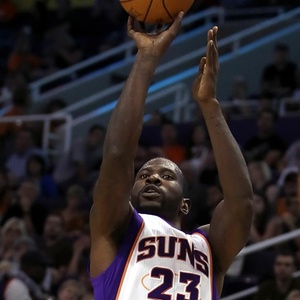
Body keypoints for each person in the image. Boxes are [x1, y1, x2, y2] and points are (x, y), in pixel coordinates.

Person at [89, 13, 253, 300]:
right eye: (143, 175)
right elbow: (117, 155)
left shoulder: (209, 245)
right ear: (129, 192)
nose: (152, 177)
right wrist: (146, 59)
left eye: (167, 177)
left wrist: (210, 106)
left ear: (185, 205)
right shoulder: (116, 227)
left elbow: (241, 201)